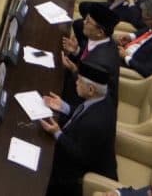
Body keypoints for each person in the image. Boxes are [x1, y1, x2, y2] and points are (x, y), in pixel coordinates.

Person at [42, 60, 119, 196]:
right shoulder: (104, 97)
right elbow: (83, 113)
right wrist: (64, 107)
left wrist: (57, 133)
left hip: (81, 176)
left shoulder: (95, 122)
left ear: (91, 90)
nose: (76, 82)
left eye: (79, 81)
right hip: (86, 150)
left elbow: (79, 155)